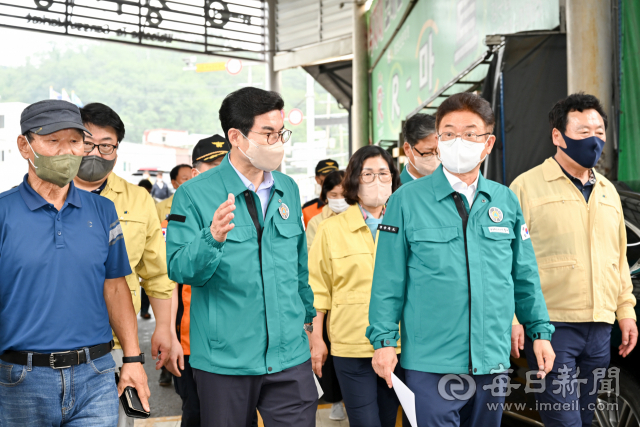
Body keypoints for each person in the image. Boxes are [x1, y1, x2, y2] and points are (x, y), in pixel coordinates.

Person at [367, 92, 556, 427]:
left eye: (470, 133)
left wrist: (539, 332)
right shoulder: (405, 201)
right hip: (430, 362)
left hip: (491, 360)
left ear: (488, 143)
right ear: (438, 141)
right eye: (449, 133)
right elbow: (388, 280)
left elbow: (524, 275)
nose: (459, 141)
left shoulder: (505, 201)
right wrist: (383, 342)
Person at [166, 87, 318, 427]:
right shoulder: (194, 195)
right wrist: (212, 237)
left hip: (289, 355)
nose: (277, 142)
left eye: (281, 133)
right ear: (236, 136)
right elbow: (179, 267)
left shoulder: (288, 189)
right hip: (226, 360)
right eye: (267, 133)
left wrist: (310, 324)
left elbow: (298, 267)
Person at [0, 100, 149, 426]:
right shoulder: (3, 213)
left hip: (95, 374)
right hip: (19, 380)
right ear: (25, 145)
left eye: (74, 141)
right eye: (53, 141)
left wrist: (133, 359)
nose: (66, 151)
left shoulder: (103, 212)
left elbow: (115, 287)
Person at [510, 93, 638, 427]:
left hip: (599, 328)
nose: (593, 139)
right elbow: (507, 261)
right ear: (558, 136)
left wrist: (625, 311)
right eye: (582, 132)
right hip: (550, 327)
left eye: (599, 131)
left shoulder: (608, 192)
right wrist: (513, 317)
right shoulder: (526, 188)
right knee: (564, 421)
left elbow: (619, 258)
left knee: (584, 418)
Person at [73, 102, 177, 427]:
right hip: (50, 347)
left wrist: (165, 328)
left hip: (115, 346)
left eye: (107, 146)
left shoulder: (138, 200)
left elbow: (157, 274)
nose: (96, 153)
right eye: (88, 143)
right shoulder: (47, 194)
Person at [308, 145, 402, 427]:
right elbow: (317, 290)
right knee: (364, 421)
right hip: (350, 345)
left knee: (389, 419)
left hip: (399, 343)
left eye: (383, 174)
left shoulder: (404, 224)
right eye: (368, 174)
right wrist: (316, 340)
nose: (376, 181)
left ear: (393, 179)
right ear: (354, 180)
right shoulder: (330, 230)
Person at [305, 170, 346, 251]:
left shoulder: (361, 217)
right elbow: (310, 253)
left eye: (344, 195)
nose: (339, 199)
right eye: (334, 195)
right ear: (326, 197)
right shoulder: (316, 223)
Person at [400, 113, 439, 184]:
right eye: (427, 153)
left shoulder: (453, 185)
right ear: (407, 149)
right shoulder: (395, 190)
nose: (435, 158)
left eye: (438, 152)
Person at [302, 159, 340, 226]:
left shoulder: (350, 206)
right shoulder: (306, 210)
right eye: (327, 175)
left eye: (335, 175)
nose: (331, 178)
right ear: (317, 179)